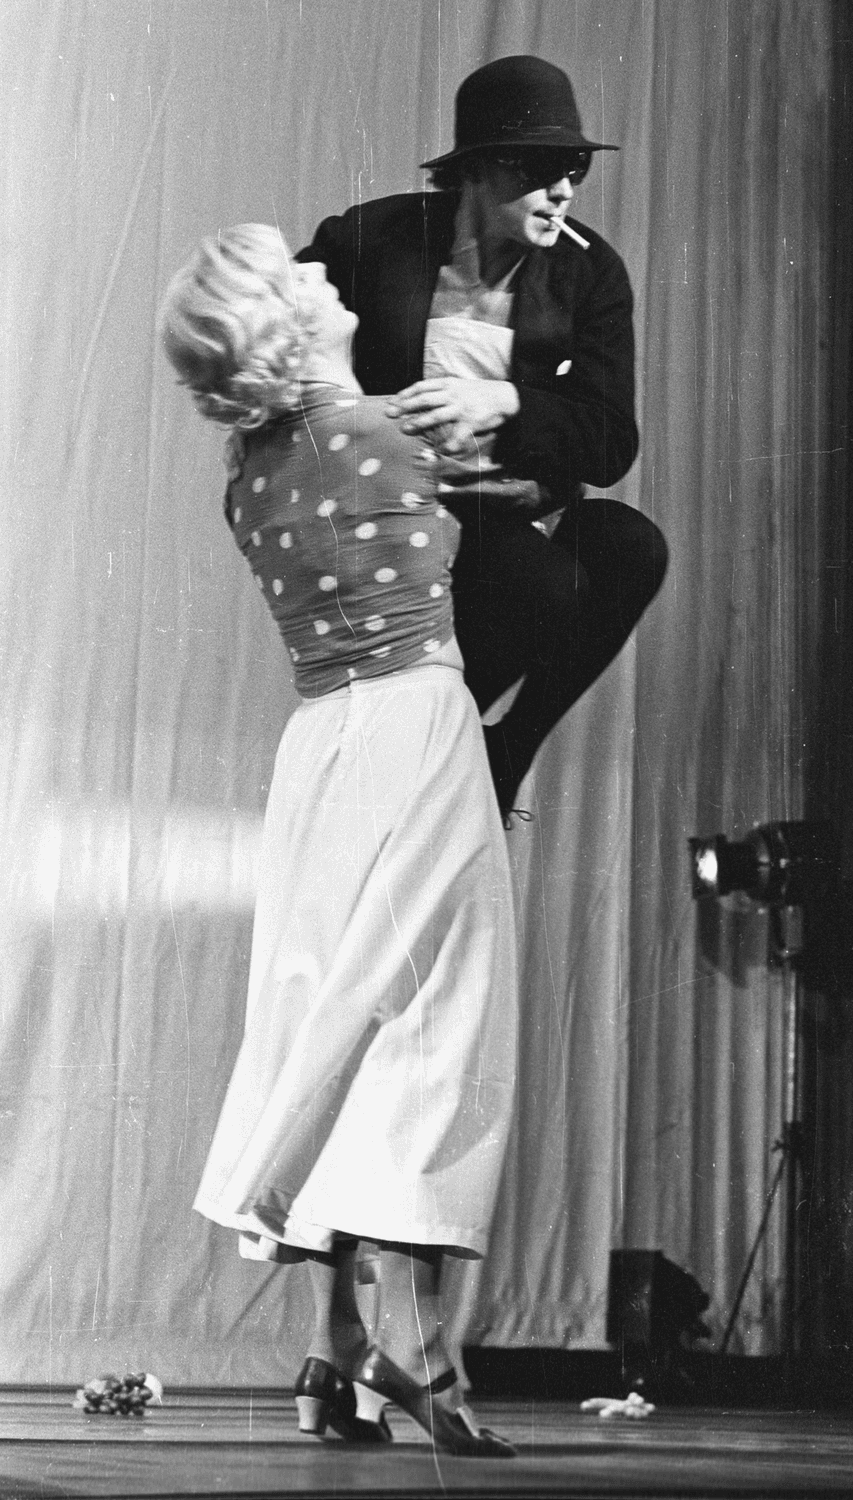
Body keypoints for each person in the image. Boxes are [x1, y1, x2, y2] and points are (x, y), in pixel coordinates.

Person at [160, 223, 517, 1458]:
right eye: (303, 277)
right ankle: (414, 1346)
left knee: (331, 1024)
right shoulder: (378, 438)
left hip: (321, 748)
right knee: (433, 1019)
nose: (330, 279)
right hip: (415, 727)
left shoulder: (249, 473)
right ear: (289, 322)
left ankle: (333, 1347)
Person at [299, 55, 668, 820]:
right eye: (543, 167)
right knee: (545, 587)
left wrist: (502, 400)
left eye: (575, 167)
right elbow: (281, 323)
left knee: (628, 546)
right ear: (480, 168)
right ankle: (426, 750)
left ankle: (504, 749)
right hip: (396, 518)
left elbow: (609, 443)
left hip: (498, 513)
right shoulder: (374, 237)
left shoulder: (589, 273)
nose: (564, 187)